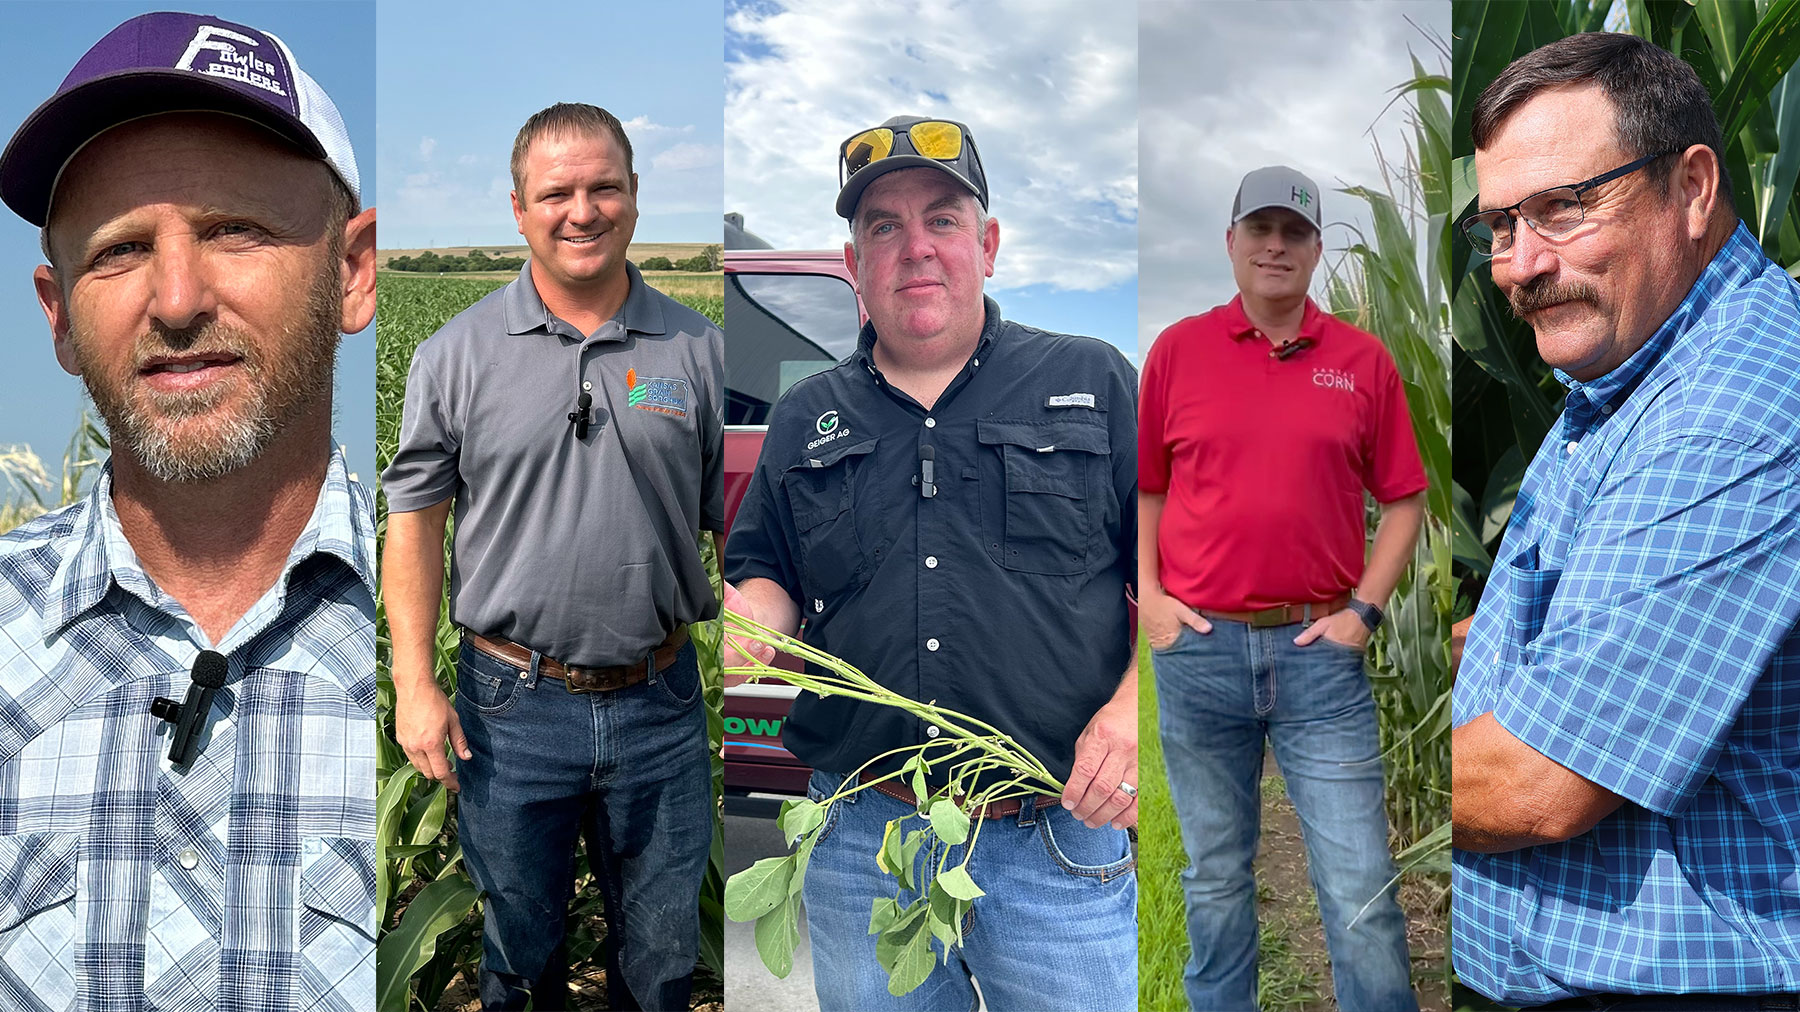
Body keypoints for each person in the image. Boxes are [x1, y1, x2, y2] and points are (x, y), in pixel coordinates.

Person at [0, 11, 377, 1010]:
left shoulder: (462, 625)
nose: (175, 299)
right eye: (121, 250)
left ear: (353, 269)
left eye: (233, 229)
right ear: (60, 317)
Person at [723, 115, 1139, 1011]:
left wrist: (1134, 709)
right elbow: (769, 572)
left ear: (986, 244)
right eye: (884, 226)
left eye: (942, 219)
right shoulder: (807, 416)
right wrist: (748, 623)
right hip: (860, 837)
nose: (915, 248)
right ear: (854, 265)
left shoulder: (1094, 380)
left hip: (1054, 835)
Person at [1451, 31, 1800, 1011]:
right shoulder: (1631, 365)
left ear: (1693, 187)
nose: (1520, 265)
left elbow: (1537, 783)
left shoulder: (1741, 400)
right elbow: (1590, 611)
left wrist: (1365, 753)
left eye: (1562, 208)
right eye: (1500, 226)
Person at [382, 102, 724, 1011]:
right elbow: (412, 520)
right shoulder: (455, 356)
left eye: (603, 187)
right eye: (557, 192)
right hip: (511, 707)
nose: (583, 211)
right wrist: (415, 682)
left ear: (636, 199)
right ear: (519, 207)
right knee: (517, 956)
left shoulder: (697, 350)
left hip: (661, 700)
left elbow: (738, 520)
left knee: (659, 962)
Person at [1139, 165, 1427, 1012]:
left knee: (1360, 889)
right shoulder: (1177, 352)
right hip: (1199, 653)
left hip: (1318, 661)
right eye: (1259, 229)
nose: (1276, 245)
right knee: (1216, 880)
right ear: (1230, 244)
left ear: (1314, 249)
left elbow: (1405, 498)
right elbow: (1147, 489)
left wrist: (1364, 613)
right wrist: (1150, 599)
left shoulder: (1362, 362)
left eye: (1294, 232)